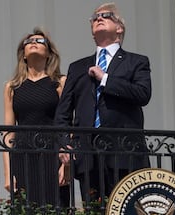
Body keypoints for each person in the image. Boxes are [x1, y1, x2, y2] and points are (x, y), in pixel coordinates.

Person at [55, 2, 151, 201]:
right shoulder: (78, 67)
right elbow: (63, 111)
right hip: (88, 155)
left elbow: (143, 94)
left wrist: (105, 79)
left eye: (106, 15)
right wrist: (64, 143)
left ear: (119, 28)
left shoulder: (136, 62)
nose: (99, 18)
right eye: (95, 17)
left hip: (125, 153)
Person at [3, 27, 69, 207]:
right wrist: (8, 173)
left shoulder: (59, 82)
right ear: (23, 54)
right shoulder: (12, 87)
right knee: (25, 213)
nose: (34, 43)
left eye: (40, 41)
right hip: (23, 154)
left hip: (52, 153)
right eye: (29, 41)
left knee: (56, 212)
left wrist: (67, 164)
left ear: (48, 53)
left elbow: (68, 124)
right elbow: (8, 133)